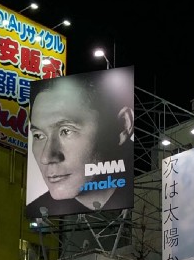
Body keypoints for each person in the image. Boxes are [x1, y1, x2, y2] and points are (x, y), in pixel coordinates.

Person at [25, 68, 135, 217]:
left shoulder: (146, 191)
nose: (46, 157)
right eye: (38, 135)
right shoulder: (40, 209)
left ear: (123, 125)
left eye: (66, 131)